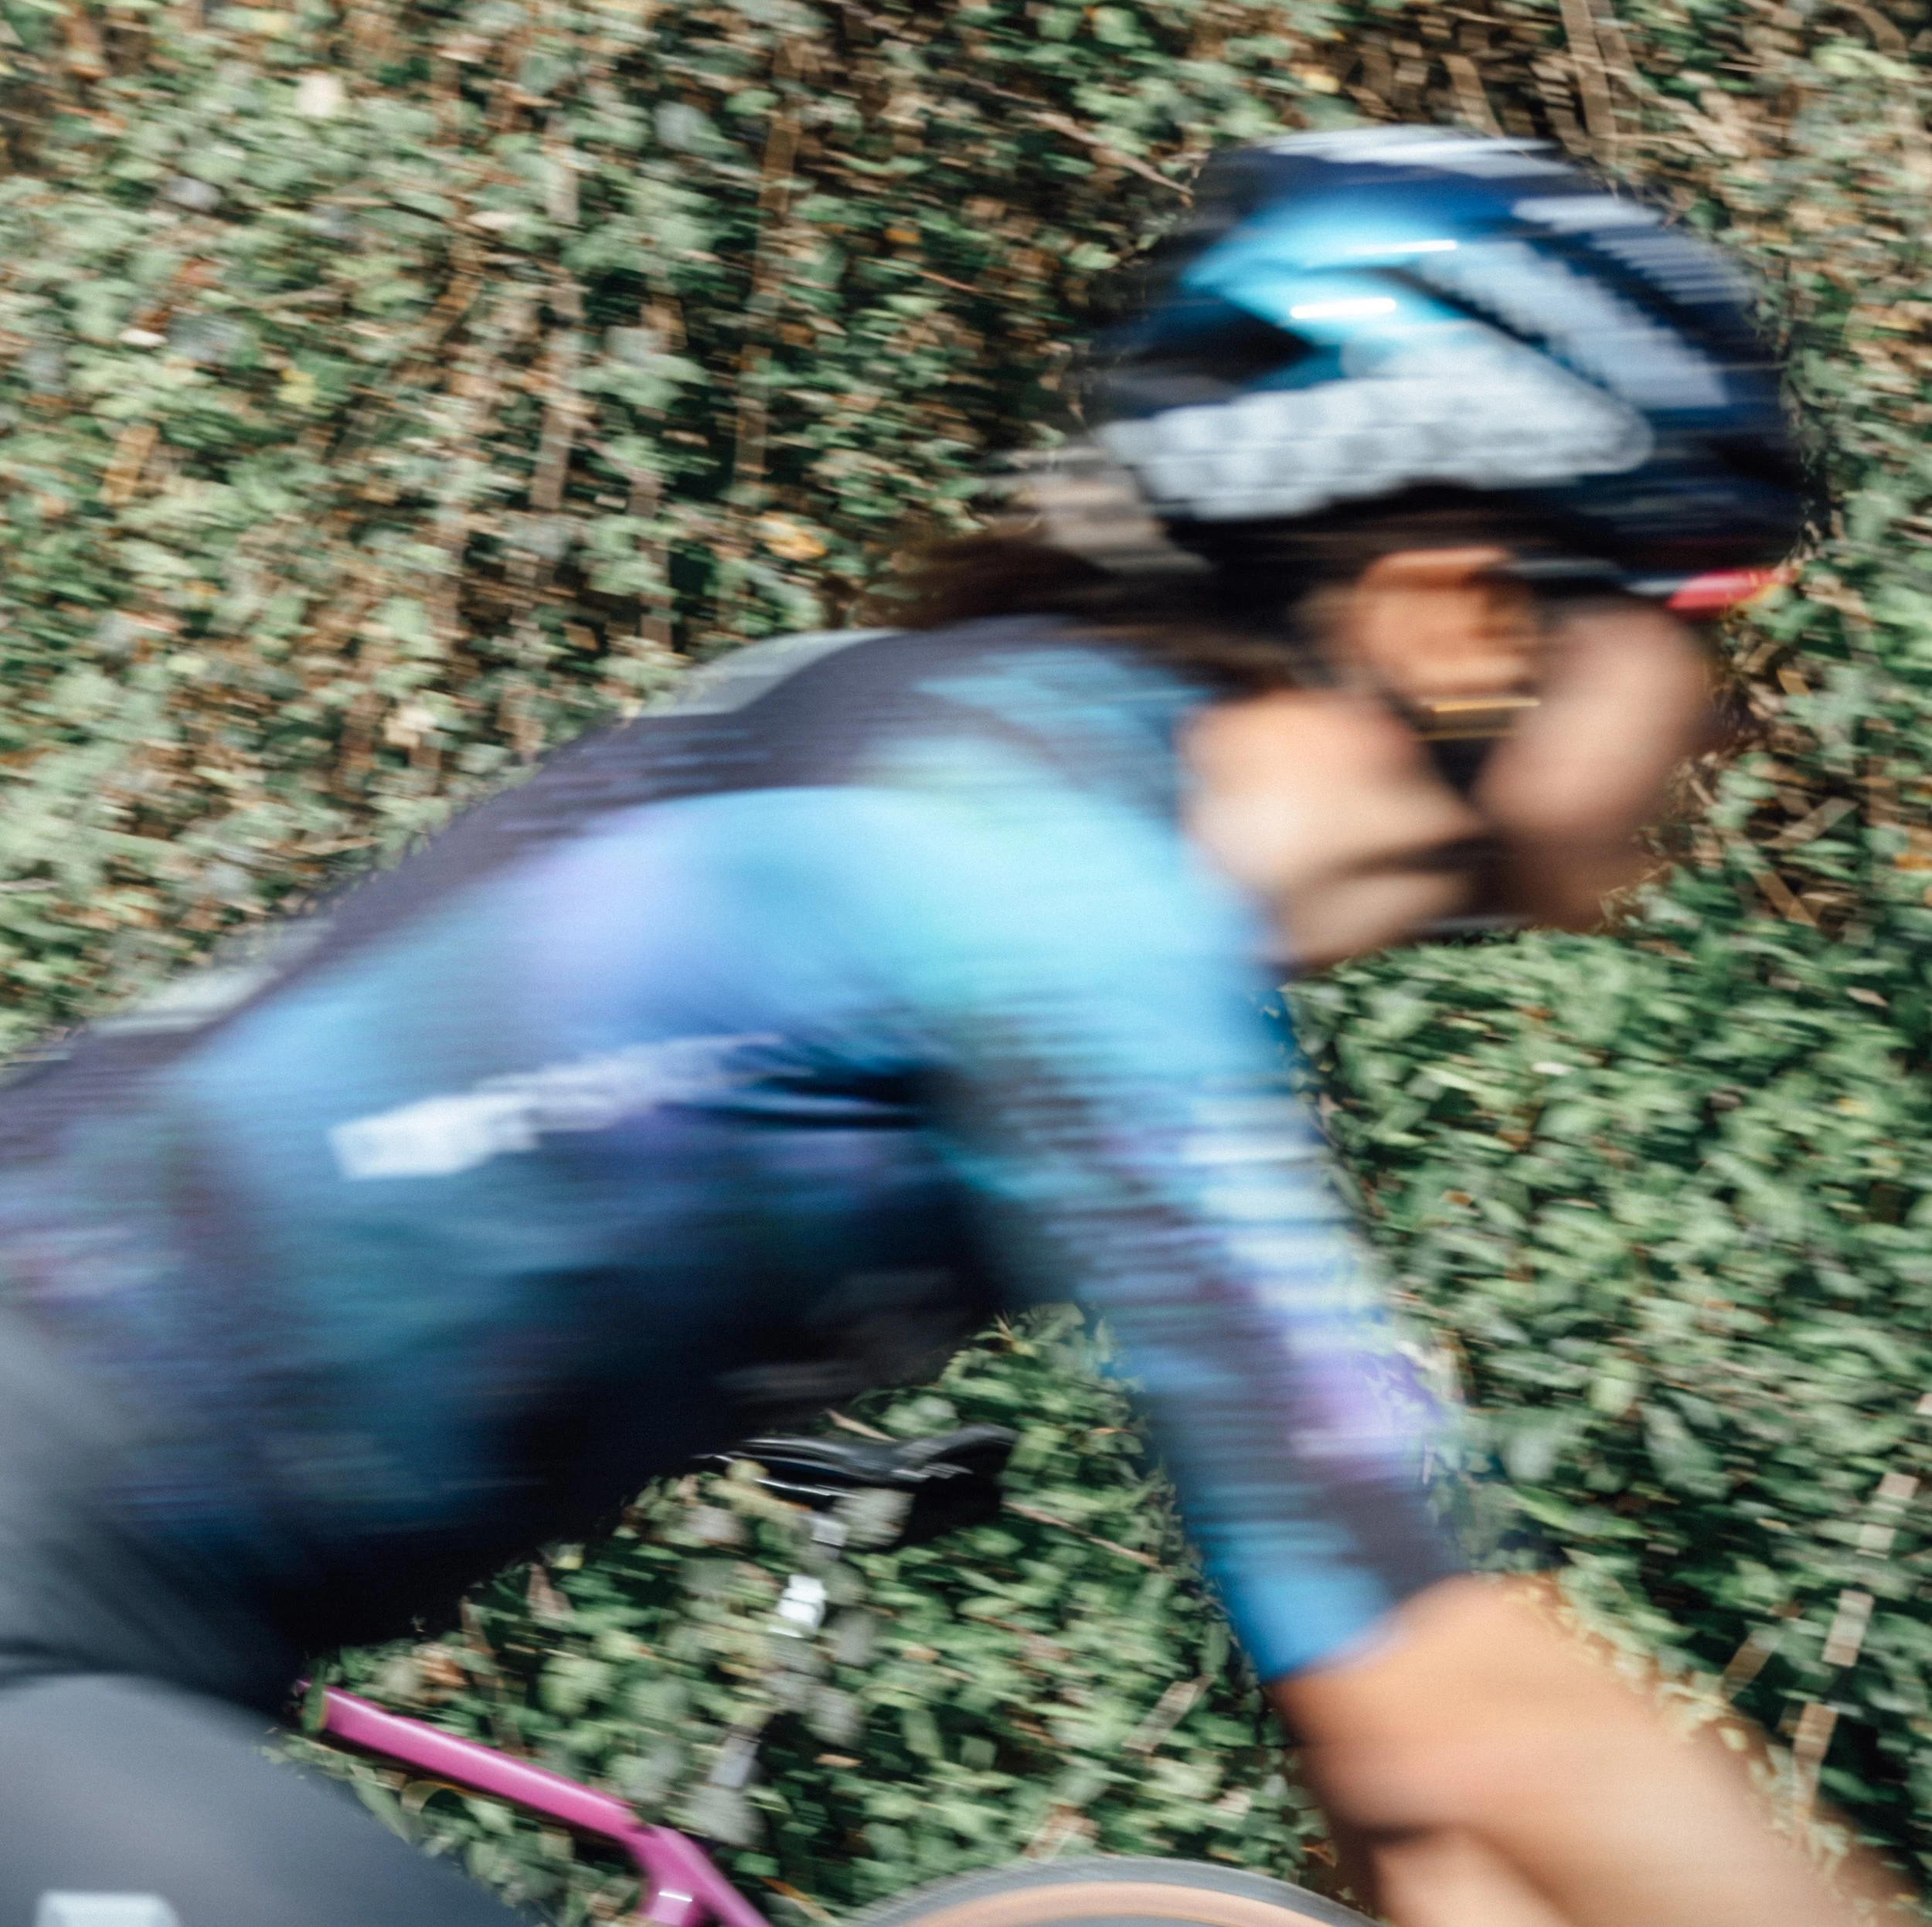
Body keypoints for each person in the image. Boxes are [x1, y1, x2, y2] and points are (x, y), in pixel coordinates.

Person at [0, 127, 1868, 1927]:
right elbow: (1459, 1721)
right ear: (1456, 613)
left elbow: (1412, 1786)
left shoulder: (1073, 864)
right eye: (1706, 598)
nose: (1729, 710)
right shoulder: (1030, 869)